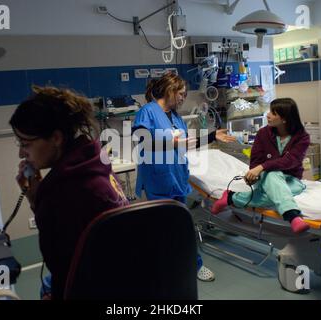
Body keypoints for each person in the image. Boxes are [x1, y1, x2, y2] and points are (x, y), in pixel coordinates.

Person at [10, 86, 128, 299]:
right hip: (123, 277)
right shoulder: (93, 164)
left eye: (26, 143)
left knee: (46, 288)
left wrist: (37, 199)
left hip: (98, 287)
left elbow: (60, 265)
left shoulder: (64, 191)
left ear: (56, 138)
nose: (21, 152)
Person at [132, 72, 236, 282]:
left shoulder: (176, 117)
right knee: (168, 229)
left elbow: (185, 143)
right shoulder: (148, 112)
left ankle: (186, 266)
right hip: (158, 180)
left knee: (179, 226)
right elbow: (142, 141)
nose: (182, 98)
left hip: (176, 178)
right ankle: (174, 267)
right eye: (180, 93)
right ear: (169, 90)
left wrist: (212, 136)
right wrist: (171, 143)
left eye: (184, 94)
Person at [211, 98, 311, 234]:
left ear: (285, 119)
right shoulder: (264, 134)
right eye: (270, 111)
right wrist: (257, 171)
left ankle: (231, 197)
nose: (268, 115)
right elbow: (255, 161)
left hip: (291, 179)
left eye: (273, 113)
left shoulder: (301, 137)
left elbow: (290, 161)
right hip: (265, 178)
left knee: (275, 192)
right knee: (272, 175)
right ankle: (293, 216)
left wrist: (262, 167)